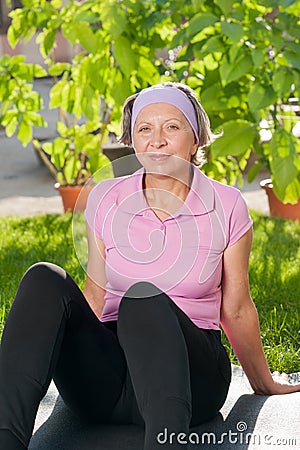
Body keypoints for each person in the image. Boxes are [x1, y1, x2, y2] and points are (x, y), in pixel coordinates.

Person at [0, 82, 299, 450]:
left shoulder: (227, 204)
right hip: (108, 384)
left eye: (172, 127)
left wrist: (263, 383)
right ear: (133, 140)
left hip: (192, 380)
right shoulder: (106, 198)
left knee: (143, 299)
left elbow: (235, 307)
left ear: (195, 140)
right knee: (44, 277)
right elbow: (95, 293)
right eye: (145, 128)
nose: (156, 140)